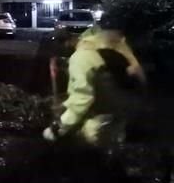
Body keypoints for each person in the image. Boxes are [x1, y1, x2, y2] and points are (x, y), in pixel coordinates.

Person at [43, 14, 144, 147]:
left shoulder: (80, 58)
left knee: (87, 135)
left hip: (114, 111)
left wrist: (58, 128)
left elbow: (82, 98)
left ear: (66, 44)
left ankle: (108, 151)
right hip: (133, 100)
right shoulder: (95, 41)